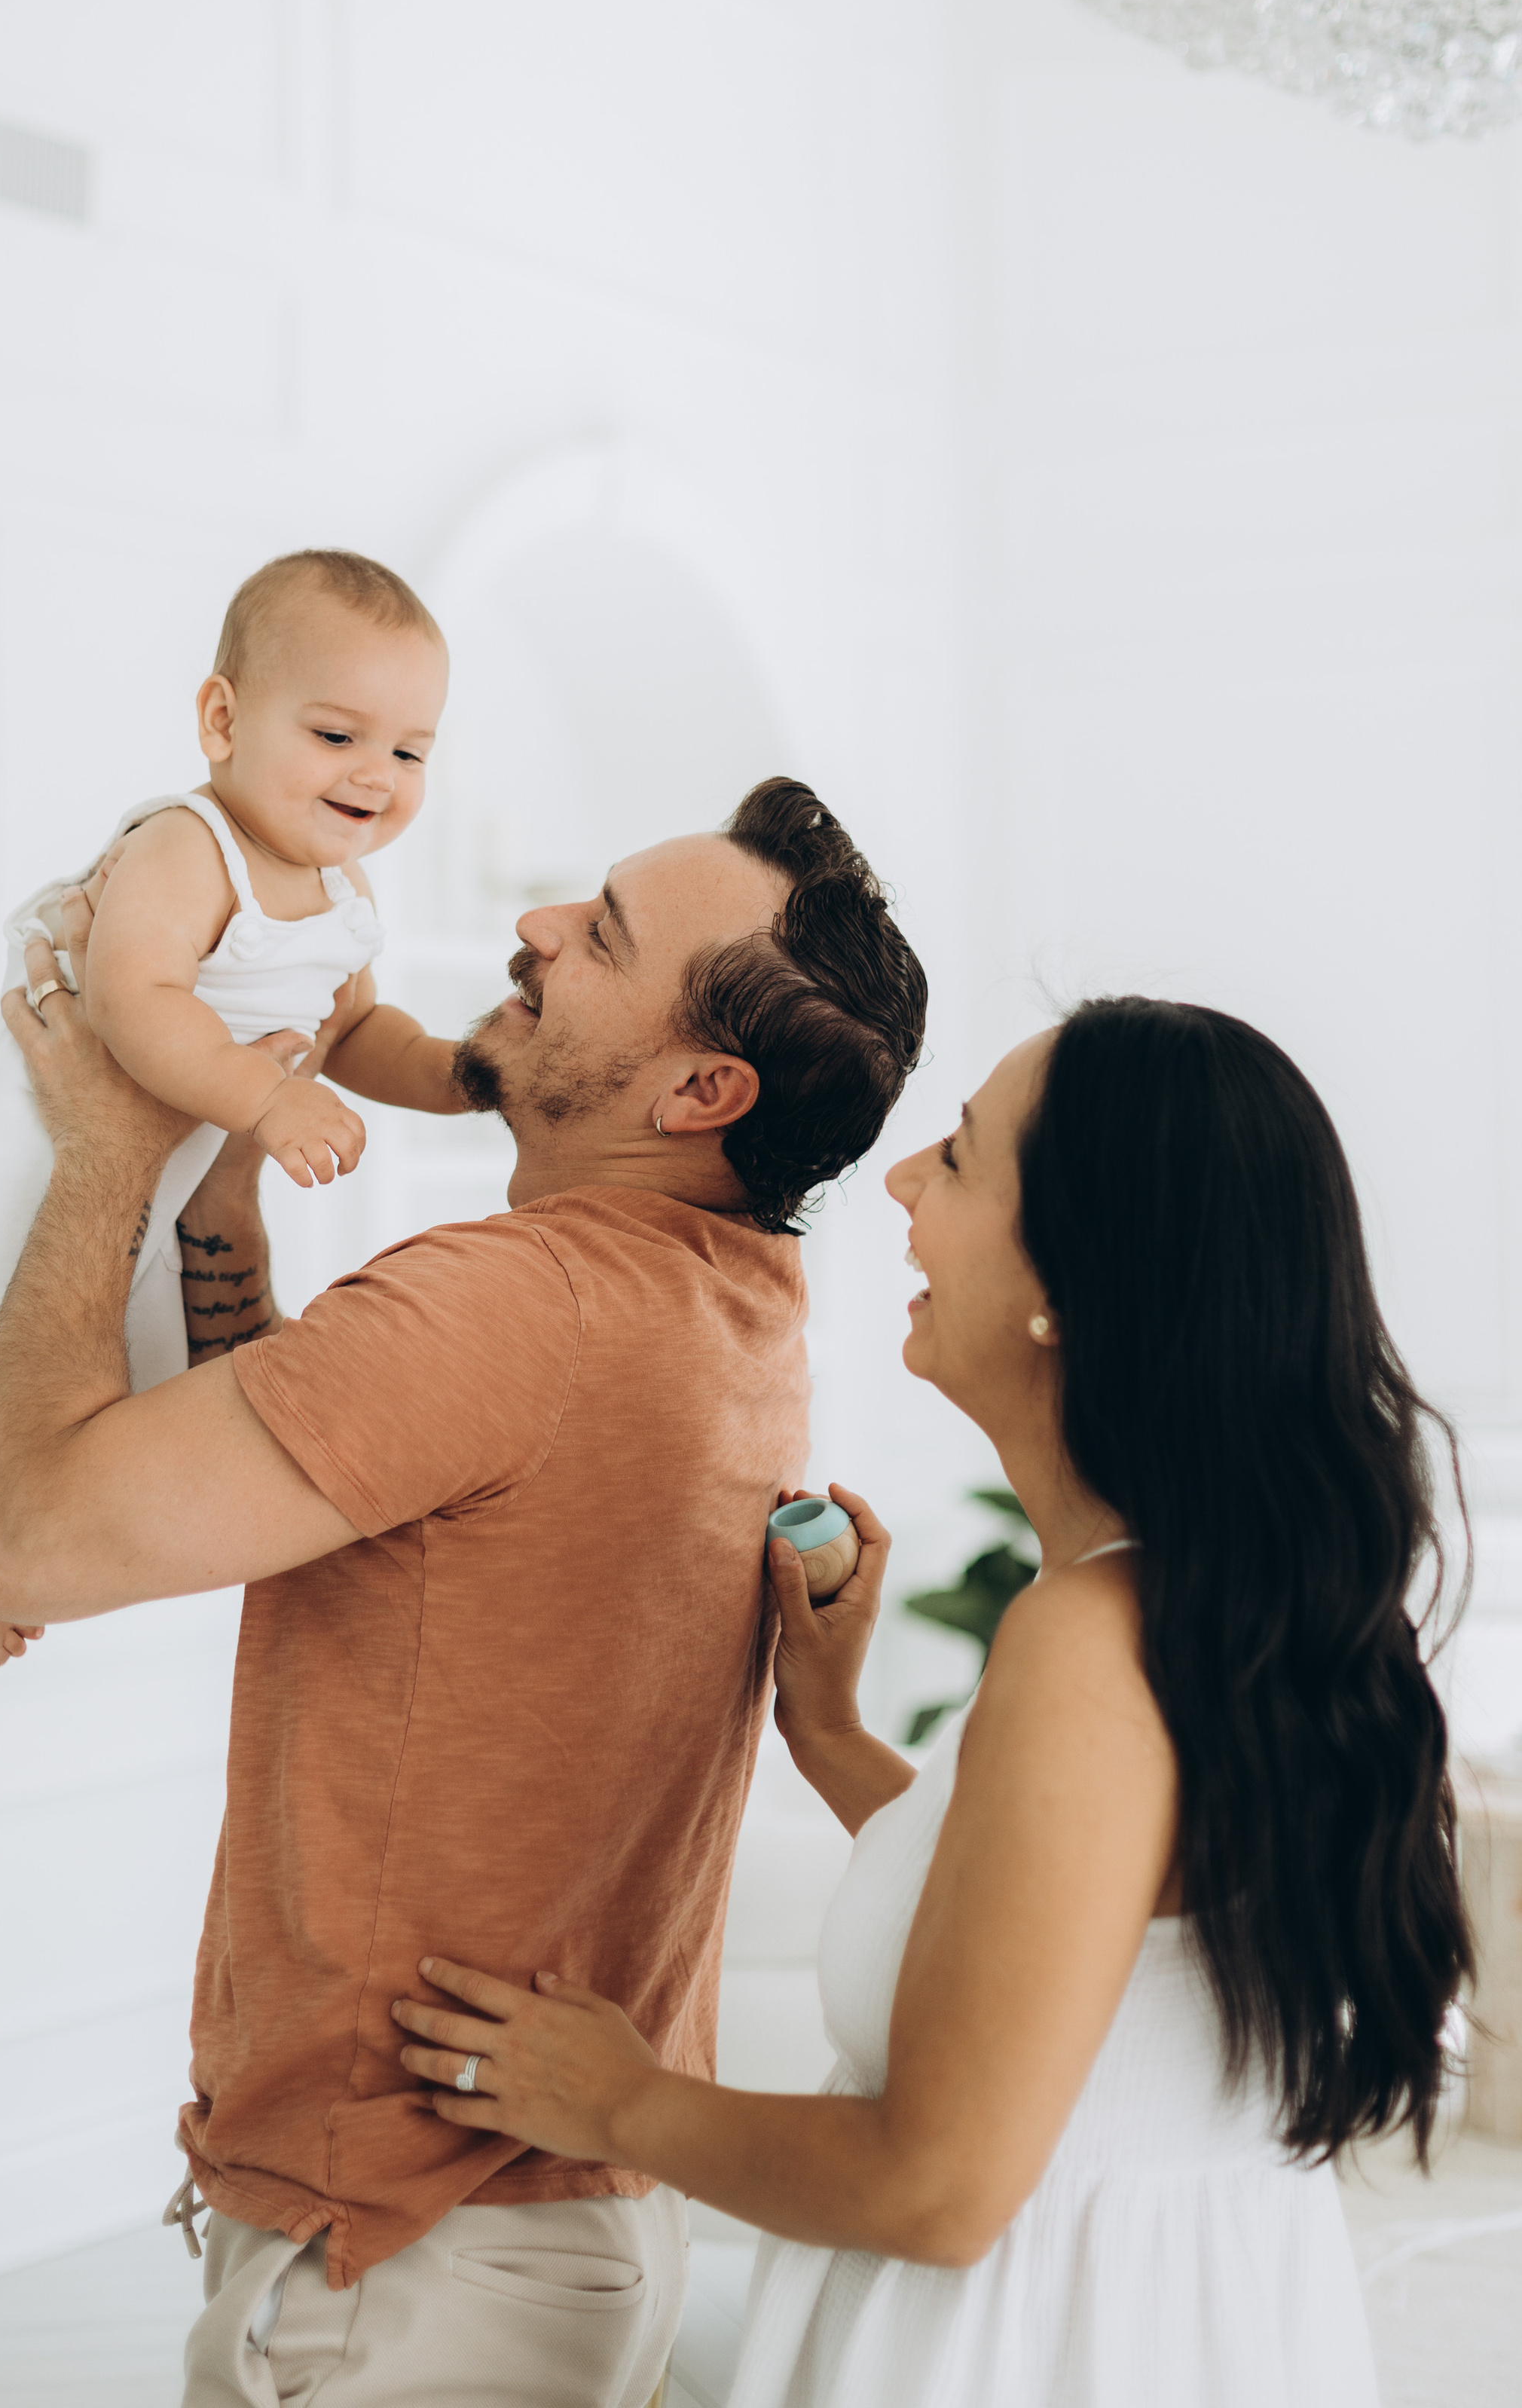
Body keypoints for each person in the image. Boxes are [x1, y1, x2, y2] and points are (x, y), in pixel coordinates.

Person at [0, 775, 928, 2408]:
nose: (536, 930)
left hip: (415, 2262)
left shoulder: (512, 1308)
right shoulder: (731, 1300)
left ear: (699, 1087)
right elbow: (302, 1495)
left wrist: (109, 1143)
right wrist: (225, 1179)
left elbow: (10, 1546)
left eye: (598, 936)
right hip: (541, 2229)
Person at [396, 998, 1473, 2408]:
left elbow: (939, 2187)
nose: (900, 1182)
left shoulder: (1093, 1641)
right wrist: (834, 1736)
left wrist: (616, 2099)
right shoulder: (1212, 1605)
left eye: (959, 1160)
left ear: (1069, 1286)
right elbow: (1091, 1940)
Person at [0, 547, 469, 1672]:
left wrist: (456, 1078)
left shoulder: (344, 889)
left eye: (410, 750)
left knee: (123, 1400)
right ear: (221, 718)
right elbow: (131, 1004)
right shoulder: (189, 850)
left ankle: (8, 1551)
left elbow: (353, 1032)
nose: (375, 774)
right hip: (7, 1173)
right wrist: (267, 1100)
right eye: (337, 737)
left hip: (127, 1194)